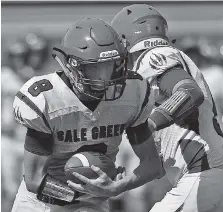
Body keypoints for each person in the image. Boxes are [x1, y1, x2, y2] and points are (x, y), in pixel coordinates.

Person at [11, 18, 165, 212]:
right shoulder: (47, 98)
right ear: (72, 65)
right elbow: (34, 181)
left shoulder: (133, 92)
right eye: (95, 67)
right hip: (40, 204)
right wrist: (83, 194)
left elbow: (152, 164)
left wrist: (117, 187)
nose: (105, 77)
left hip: (94, 203)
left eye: (111, 65)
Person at [110, 4, 223, 212]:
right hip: (208, 175)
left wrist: (151, 123)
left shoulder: (152, 55)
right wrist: (120, 185)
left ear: (124, 40)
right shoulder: (158, 65)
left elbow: (189, 92)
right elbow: (154, 168)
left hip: (206, 173)